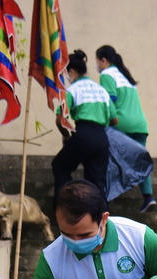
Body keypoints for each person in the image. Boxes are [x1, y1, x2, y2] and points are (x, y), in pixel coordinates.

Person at [96, 45, 156, 213]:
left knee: (110, 159)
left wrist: (105, 122)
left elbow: (110, 100)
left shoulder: (107, 75)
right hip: (140, 125)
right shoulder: (126, 76)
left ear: (103, 60)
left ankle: (107, 198)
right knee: (140, 161)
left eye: (97, 61)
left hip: (120, 124)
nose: (97, 65)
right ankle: (148, 197)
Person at [51, 50, 112, 196]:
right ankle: (100, 216)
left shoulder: (72, 90)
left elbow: (60, 119)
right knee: (96, 183)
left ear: (71, 71)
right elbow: (114, 118)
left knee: (60, 166)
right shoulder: (101, 91)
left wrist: (66, 135)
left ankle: (65, 205)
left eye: (67, 73)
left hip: (83, 134)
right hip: (102, 138)